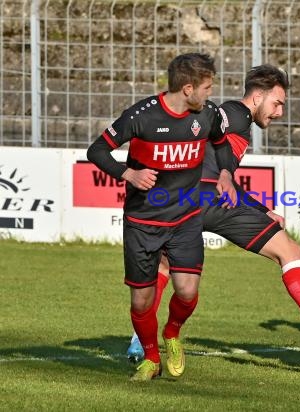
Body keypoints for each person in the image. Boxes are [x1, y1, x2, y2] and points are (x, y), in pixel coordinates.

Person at [126, 64, 300, 364]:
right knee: (290, 251)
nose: (279, 112)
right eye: (277, 103)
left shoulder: (235, 123)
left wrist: (261, 209)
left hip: (184, 201)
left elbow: (220, 173)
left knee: (164, 266)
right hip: (209, 200)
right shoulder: (235, 114)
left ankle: (140, 341)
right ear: (257, 97)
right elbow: (209, 124)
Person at [87, 53, 237, 382]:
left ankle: (171, 334)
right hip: (143, 222)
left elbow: (222, 145)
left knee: (186, 290)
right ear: (188, 88)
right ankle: (151, 359)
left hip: (185, 218)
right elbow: (96, 150)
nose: (211, 94)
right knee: (142, 301)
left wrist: (226, 173)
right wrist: (128, 173)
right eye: (207, 87)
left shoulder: (209, 114)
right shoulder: (141, 116)